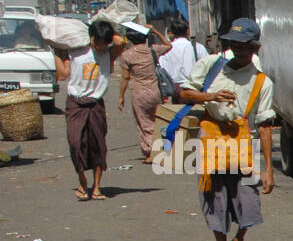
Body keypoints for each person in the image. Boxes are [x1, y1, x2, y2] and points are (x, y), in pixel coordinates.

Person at [177, 18, 275, 241]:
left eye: (245, 46)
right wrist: (212, 96)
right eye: (234, 44)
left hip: (243, 145)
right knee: (215, 201)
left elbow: (265, 126)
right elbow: (185, 94)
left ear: (255, 48)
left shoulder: (262, 82)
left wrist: (269, 169)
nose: (239, 50)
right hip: (210, 141)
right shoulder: (211, 65)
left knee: (249, 201)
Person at [53, 19, 128, 200]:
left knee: (98, 146)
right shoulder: (75, 51)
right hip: (76, 104)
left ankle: (97, 187)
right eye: (97, 43)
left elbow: (121, 42)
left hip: (95, 105)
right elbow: (63, 74)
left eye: (104, 44)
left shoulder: (109, 54)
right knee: (75, 143)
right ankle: (82, 181)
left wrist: (105, 26)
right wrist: (56, 51)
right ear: (90, 37)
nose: (100, 48)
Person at [117, 23, 173, 160]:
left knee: (144, 122)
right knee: (158, 120)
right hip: (156, 91)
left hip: (139, 92)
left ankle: (151, 153)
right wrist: (155, 31)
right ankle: (164, 148)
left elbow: (125, 77)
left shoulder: (126, 55)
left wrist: (121, 96)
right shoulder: (153, 50)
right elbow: (169, 45)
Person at [158, 18, 208, 97]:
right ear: (188, 31)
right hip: (194, 88)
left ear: (172, 33)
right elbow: (207, 66)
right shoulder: (198, 47)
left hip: (173, 90)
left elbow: (162, 69)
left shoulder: (165, 50)